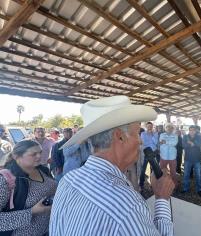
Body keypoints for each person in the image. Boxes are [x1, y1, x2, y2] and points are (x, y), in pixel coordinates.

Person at [50, 96, 174, 235]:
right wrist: (162, 198)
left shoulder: (67, 180)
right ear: (120, 136)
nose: (140, 141)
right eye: (137, 133)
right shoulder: (128, 206)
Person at [0, 140, 57, 235]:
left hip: (48, 229)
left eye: (40, 152)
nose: (39, 156)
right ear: (16, 156)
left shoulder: (43, 169)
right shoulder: (5, 180)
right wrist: (32, 211)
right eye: (34, 154)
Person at [181, 126, 201, 196]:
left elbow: (200, 144)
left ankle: (199, 189)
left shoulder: (199, 137)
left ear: (195, 131)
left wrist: (191, 143)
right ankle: (185, 188)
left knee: (198, 175)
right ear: (189, 130)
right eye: (190, 130)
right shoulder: (185, 137)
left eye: (193, 130)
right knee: (186, 175)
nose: (192, 131)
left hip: (197, 159)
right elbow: (183, 145)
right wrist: (193, 144)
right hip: (188, 159)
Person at [139, 122, 159, 189]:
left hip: (153, 153)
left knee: (153, 169)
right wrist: (151, 139)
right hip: (146, 153)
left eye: (150, 126)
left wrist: (152, 135)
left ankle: (153, 182)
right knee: (143, 168)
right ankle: (141, 184)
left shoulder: (155, 133)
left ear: (152, 126)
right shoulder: (143, 133)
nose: (149, 127)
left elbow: (156, 142)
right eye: (148, 126)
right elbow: (144, 143)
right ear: (146, 126)